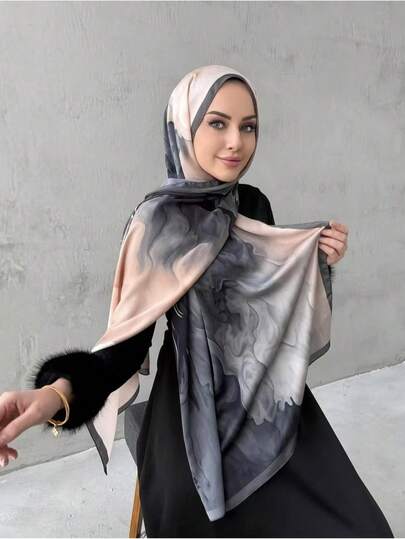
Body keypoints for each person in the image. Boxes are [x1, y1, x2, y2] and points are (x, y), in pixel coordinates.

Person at [0, 65, 393, 538]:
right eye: (217, 123)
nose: (235, 142)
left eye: (248, 127)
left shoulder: (253, 204)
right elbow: (124, 349)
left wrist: (315, 259)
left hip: (264, 394)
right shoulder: (156, 224)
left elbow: (271, 308)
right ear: (184, 125)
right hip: (189, 404)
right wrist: (55, 394)